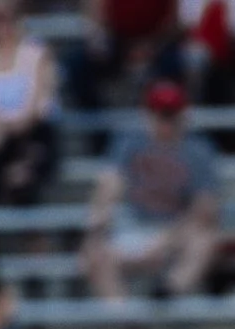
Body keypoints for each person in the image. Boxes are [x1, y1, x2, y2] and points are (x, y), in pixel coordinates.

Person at [82, 80, 220, 303]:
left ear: (183, 115)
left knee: (204, 237)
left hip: (175, 228)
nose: (166, 122)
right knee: (95, 253)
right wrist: (95, 230)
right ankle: (131, 327)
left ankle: (167, 292)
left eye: (171, 115)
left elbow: (206, 209)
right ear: (148, 114)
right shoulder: (130, 141)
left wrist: (168, 238)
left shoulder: (197, 150)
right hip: (135, 226)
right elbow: (109, 187)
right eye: (161, 114)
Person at [0, 0, 59, 208]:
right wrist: (1, 126)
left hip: (32, 132)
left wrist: (19, 124)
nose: (3, 26)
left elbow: (40, 97)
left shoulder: (36, 53)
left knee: (27, 166)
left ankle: (32, 231)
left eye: (8, 18)